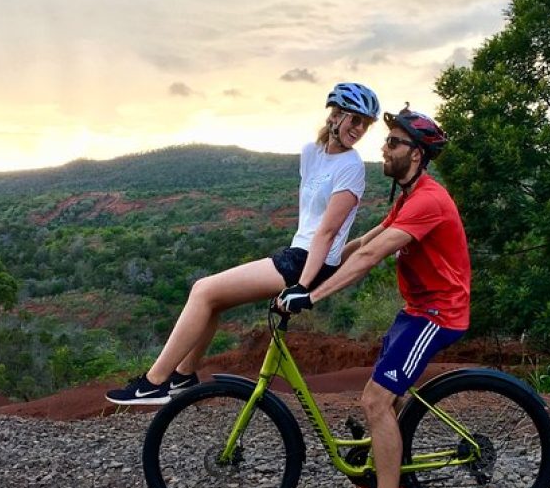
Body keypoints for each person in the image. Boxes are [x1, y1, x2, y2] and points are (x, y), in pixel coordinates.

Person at [277, 106, 471, 488]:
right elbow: (366, 241)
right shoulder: (408, 194)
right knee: (388, 395)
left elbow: (373, 258)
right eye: (387, 142)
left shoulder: (428, 200)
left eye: (394, 143)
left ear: (418, 155)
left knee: (374, 401)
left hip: (438, 315)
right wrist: (320, 266)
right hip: (416, 310)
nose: (383, 148)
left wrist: (314, 295)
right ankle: (394, 476)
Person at [106, 82, 380, 405]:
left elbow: (327, 232)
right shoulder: (311, 154)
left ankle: (153, 383)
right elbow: (309, 219)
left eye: (365, 124)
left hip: (308, 264)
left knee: (203, 290)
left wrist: (302, 286)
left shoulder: (352, 166)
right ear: (335, 116)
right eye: (354, 119)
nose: (359, 129)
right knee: (213, 300)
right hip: (298, 253)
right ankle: (182, 377)